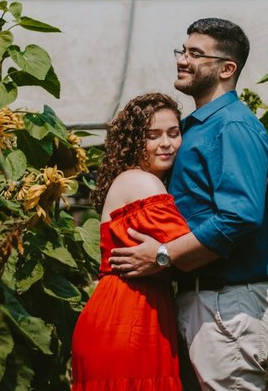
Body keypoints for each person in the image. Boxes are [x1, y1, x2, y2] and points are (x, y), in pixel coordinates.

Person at [109, 18, 268, 391]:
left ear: (226, 68)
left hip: (227, 303)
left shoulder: (232, 126)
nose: (182, 60)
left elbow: (239, 217)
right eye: (183, 51)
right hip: (204, 302)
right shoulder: (194, 126)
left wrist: (162, 255)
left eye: (195, 54)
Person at [71, 92, 191, 391]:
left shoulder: (130, 179)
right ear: (133, 142)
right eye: (153, 135)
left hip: (122, 314)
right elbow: (189, 249)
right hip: (130, 318)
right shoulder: (143, 182)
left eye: (173, 133)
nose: (166, 143)